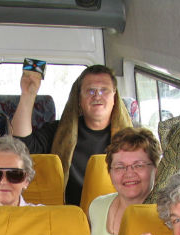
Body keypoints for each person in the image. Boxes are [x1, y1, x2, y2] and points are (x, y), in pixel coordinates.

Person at [11, 65, 132, 206]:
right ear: (79, 99)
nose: (97, 96)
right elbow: (22, 145)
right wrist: (28, 94)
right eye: (90, 91)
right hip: (66, 212)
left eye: (104, 90)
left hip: (115, 212)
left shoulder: (133, 139)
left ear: (115, 97)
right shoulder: (58, 132)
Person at [88, 127, 160, 235]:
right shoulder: (97, 207)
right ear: (110, 172)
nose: (129, 173)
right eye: (120, 167)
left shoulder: (164, 214)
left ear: (155, 169)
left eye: (138, 165)